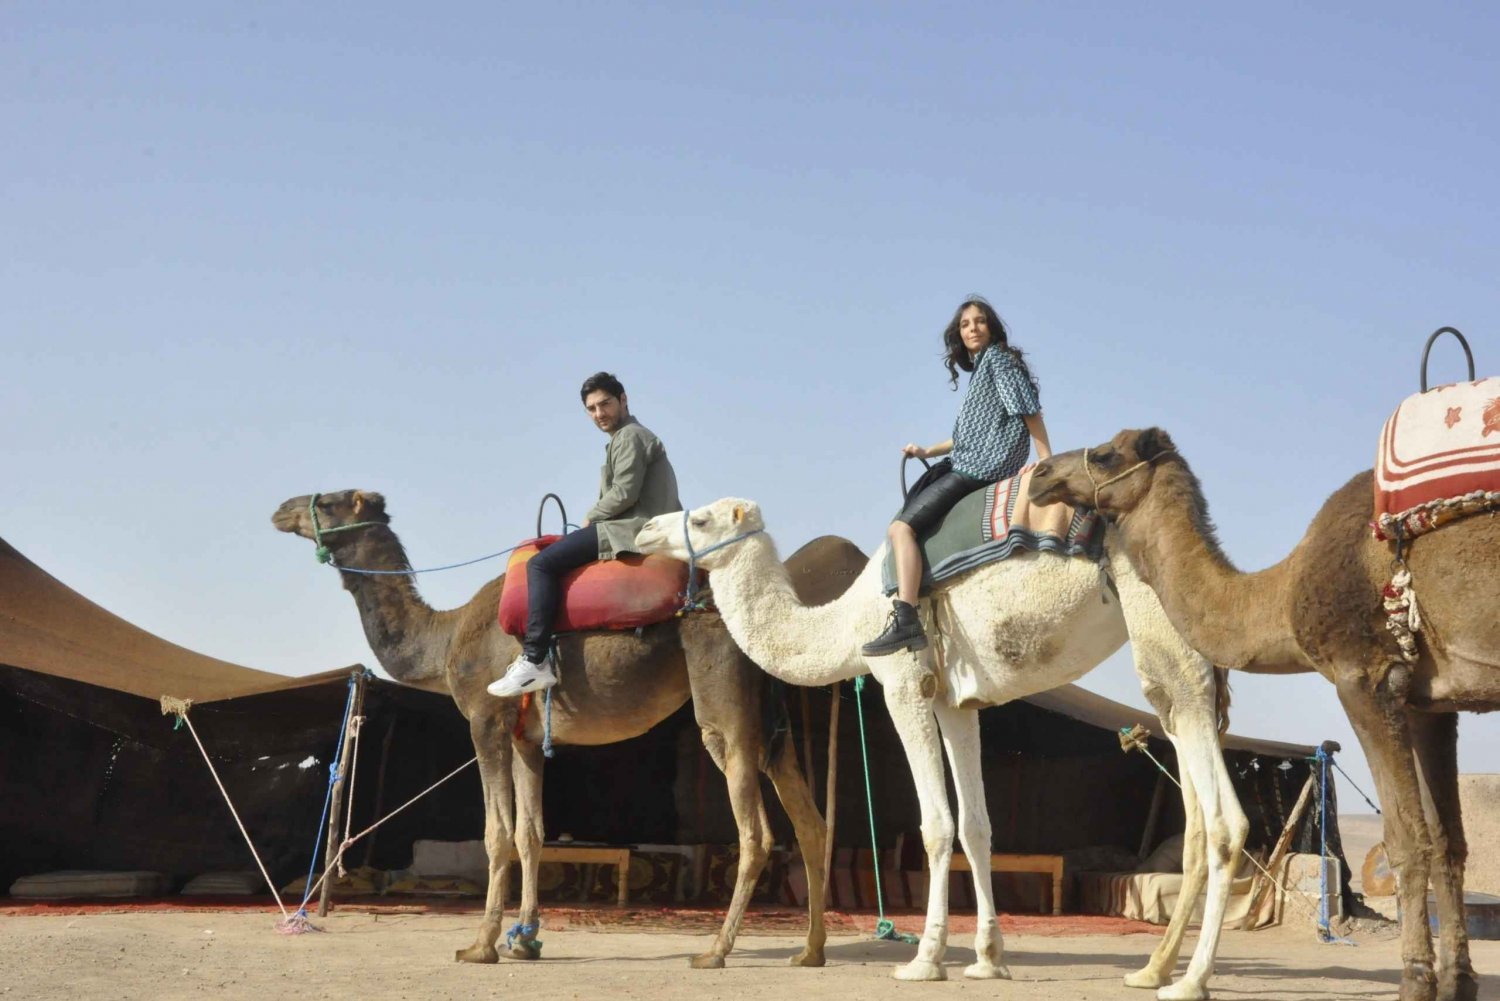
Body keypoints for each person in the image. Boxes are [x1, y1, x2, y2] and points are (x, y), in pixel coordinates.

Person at [863, 296, 1052, 656]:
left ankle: (906, 619)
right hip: (972, 460)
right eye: (966, 325)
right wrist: (926, 452)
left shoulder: (997, 360)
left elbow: (1029, 409)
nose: (973, 328)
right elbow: (965, 438)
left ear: (991, 327)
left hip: (979, 468)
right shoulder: (984, 371)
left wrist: (1046, 462)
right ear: (959, 335)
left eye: (980, 321)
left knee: (900, 529)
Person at [488, 371, 682, 696]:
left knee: (540, 565)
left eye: (605, 404)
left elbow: (624, 493)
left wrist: (591, 516)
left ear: (623, 400)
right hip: (634, 524)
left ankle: (535, 660)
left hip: (631, 529)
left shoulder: (630, 436)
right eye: (591, 409)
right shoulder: (622, 439)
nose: (599, 414)